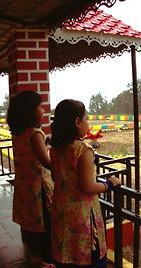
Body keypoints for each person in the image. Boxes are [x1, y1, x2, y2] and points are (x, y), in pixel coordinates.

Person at [50, 99, 121, 267]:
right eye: (86, 118)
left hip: (61, 213)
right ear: (77, 122)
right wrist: (109, 184)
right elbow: (88, 186)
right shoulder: (83, 150)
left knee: (66, 257)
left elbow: (55, 177)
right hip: (82, 218)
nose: (87, 123)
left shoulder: (55, 149)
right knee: (90, 259)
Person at [7, 91, 55, 267]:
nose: (43, 110)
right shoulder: (35, 134)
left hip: (24, 186)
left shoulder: (18, 133)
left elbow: (30, 155)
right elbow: (47, 163)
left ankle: (34, 257)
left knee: (30, 225)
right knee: (45, 225)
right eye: (40, 106)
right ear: (31, 111)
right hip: (38, 189)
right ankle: (46, 261)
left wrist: (46, 143)